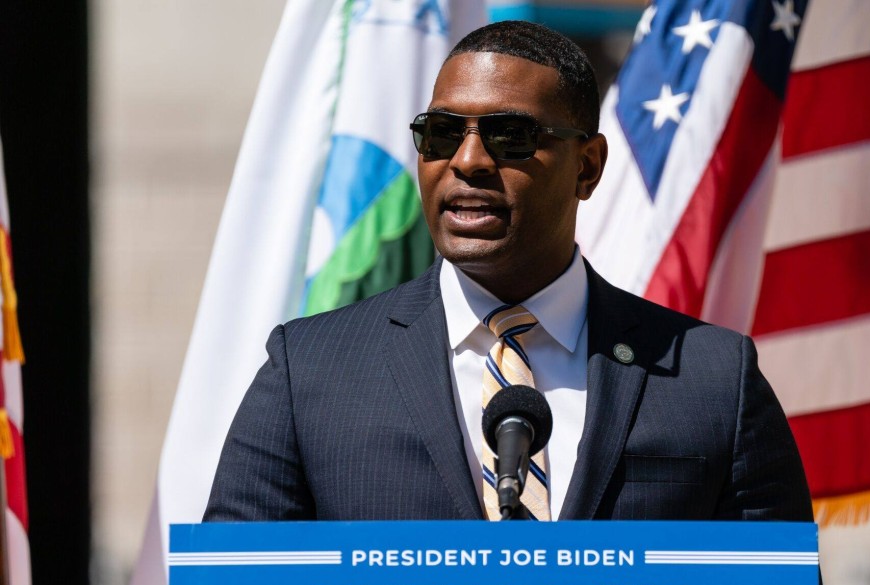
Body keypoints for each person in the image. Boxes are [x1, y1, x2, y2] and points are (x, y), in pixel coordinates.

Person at [203, 20, 814, 528]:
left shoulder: (712, 380)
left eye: (511, 137)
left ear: (587, 166)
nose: (467, 161)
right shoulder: (309, 370)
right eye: (441, 134)